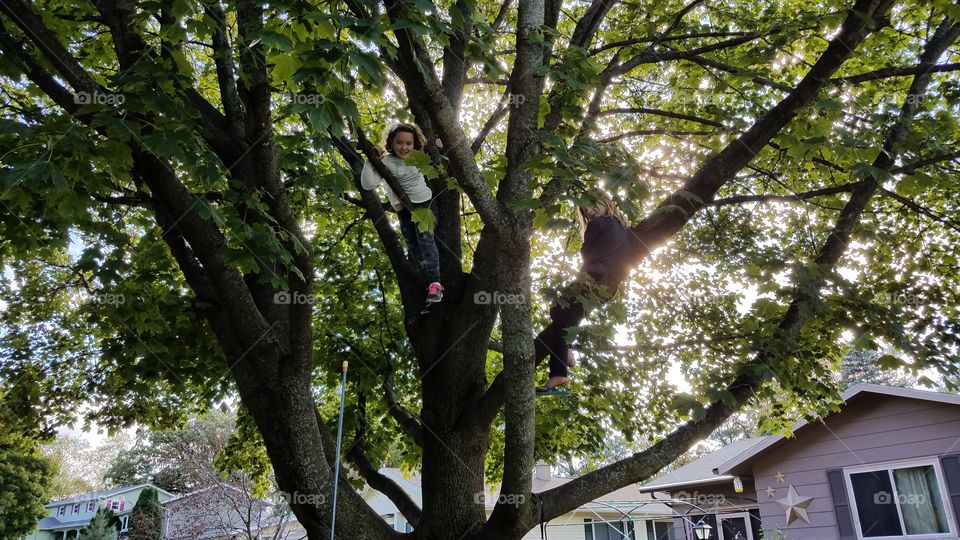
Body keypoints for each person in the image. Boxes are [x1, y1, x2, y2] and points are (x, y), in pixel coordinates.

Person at [534, 190, 630, 394]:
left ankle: (559, 372)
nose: (589, 211)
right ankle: (566, 352)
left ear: (606, 202)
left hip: (591, 279)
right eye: (585, 210)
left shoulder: (598, 224)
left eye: (592, 205)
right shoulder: (624, 228)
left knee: (559, 311)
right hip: (608, 288)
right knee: (568, 317)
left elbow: (586, 252)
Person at [361, 123, 444, 304]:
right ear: (391, 142)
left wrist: (439, 144)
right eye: (399, 142)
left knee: (425, 239)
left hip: (424, 206)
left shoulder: (419, 157)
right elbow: (368, 184)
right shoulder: (386, 161)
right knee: (413, 247)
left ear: (414, 145)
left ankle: (435, 283)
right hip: (404, 212)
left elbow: (439, 154)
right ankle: (426, 289)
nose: (404, 147)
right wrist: (370, 158)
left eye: (409, 143)